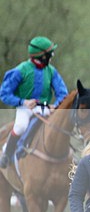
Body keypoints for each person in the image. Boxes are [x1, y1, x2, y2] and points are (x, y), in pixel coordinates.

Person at [0, 36, 69, 168]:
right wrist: (23, 102)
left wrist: (57, 105)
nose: (52, 56)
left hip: (45, 109)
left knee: (59, 127)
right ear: (42, 56)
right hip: (25, 109)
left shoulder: (51, 71)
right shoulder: (21, 70)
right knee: (20, 126)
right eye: (50, 54)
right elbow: (4, 93)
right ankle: (7, 154)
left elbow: (62, 93)